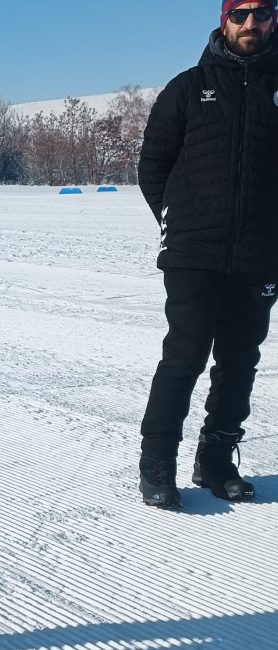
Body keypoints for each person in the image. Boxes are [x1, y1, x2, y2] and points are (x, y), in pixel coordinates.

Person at [137, 0, 278, 510]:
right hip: (193, 251)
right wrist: (177, 221)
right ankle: (157, 462)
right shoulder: (188, 87)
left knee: (240, 360)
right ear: (224, 20)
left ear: (275, 18)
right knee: (185, 355)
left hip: (260, 254)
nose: (250, 22)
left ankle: (216, 460)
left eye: (263, 11)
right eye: (240, 13)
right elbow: (153, 165)